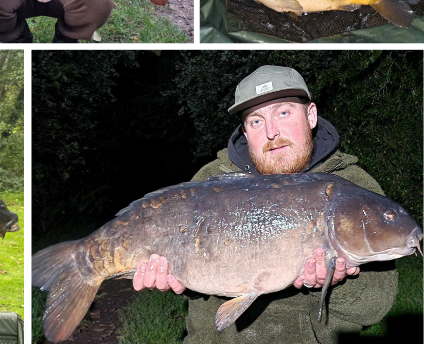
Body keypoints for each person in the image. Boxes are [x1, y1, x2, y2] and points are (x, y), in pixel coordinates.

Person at [133, 65, 398, 343]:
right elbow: (194, 278)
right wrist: (175, 280)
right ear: (246, 132)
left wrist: (337, 283)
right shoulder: (211, 182)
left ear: (310, 115)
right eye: (256, 121)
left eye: (283, 113)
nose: (272, 132)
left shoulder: (351, 187)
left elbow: (374, 308)